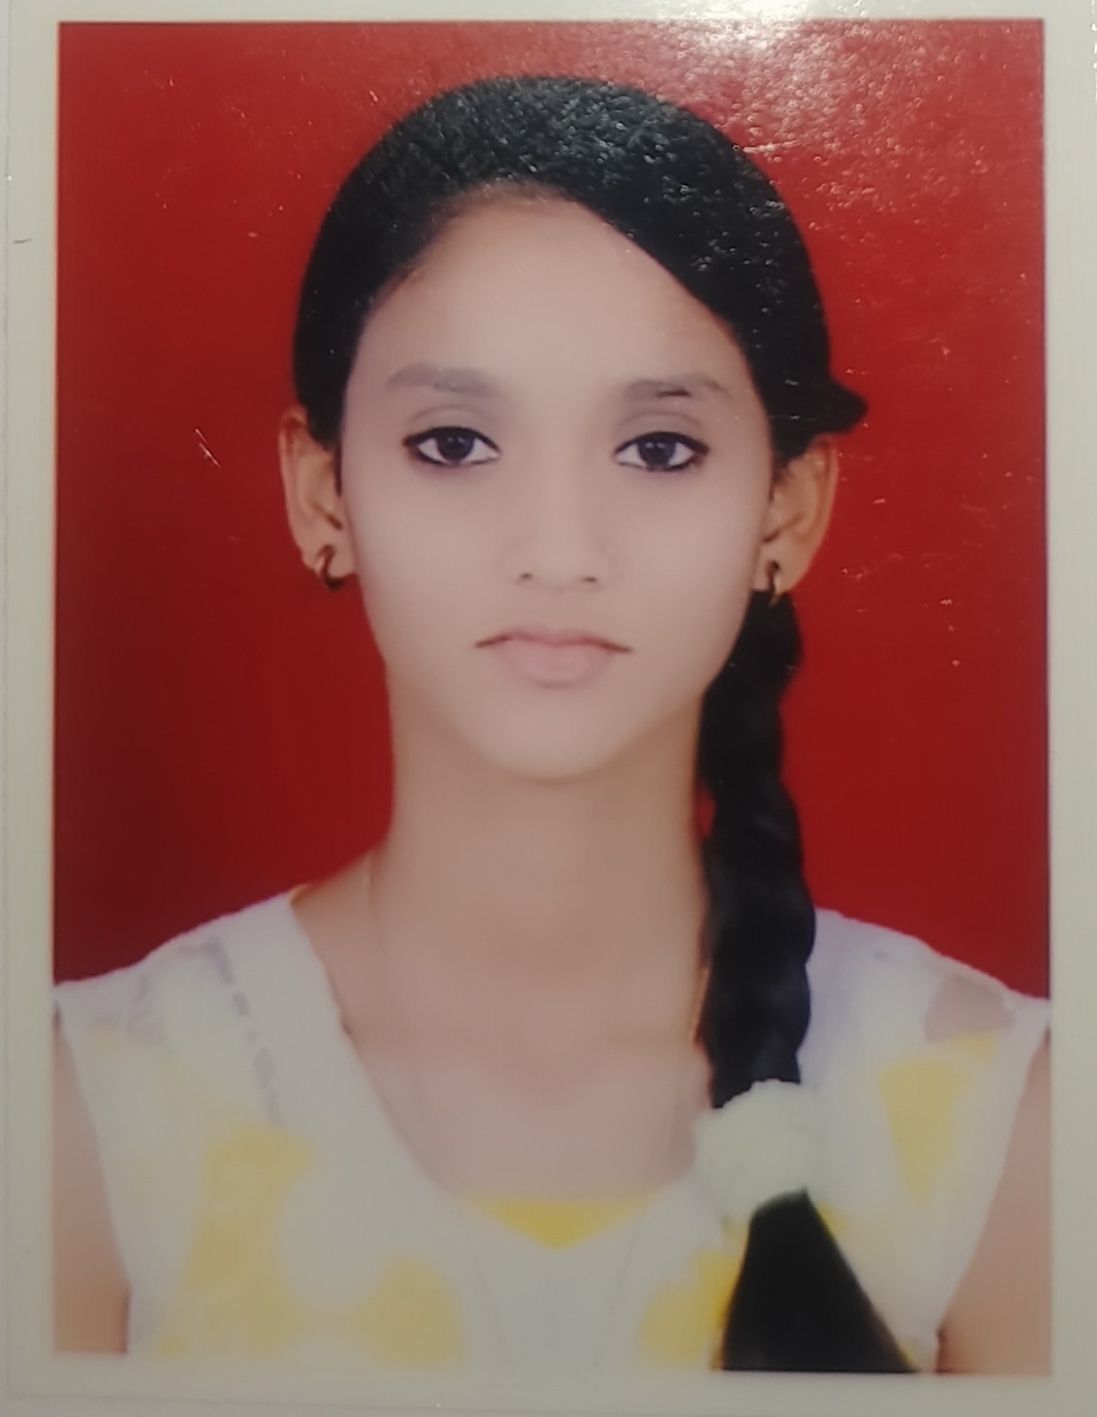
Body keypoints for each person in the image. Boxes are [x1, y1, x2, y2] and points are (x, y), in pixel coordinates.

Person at [52, 76, 1049, 1375]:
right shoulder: (88, 1114)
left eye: (659, 449)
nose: (559, 549)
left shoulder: (1002, 1121)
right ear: (323, 494)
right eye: (455, 443)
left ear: (787, 514)